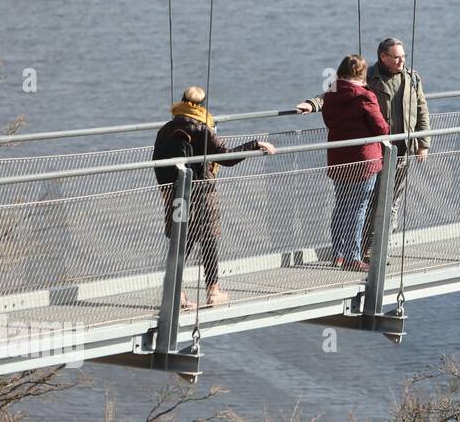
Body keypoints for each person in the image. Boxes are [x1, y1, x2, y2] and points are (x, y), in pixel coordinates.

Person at [297, 36, 430, 259]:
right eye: (396, 57)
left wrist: (423, 143)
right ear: (383, 57)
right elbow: (335, 91)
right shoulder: (367, 75)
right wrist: (312, 104)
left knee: (390, 203)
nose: (401, 61)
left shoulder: (412, 78)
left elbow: (421, 109)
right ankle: (365, 250)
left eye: (404, 57)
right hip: (377, 150)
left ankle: (377, 249)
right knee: (367, 203)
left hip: (402, 149)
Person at [153, 86, 276, 309]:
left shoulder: (166, 129)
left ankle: (175, 292)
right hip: (202, 192)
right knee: (208, 240)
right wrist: (255, 144)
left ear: (181, 102)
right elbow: (227, 158)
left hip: (175, 191)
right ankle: (213, 291)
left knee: (181, 242)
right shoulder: (203, 128)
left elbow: (158, 162)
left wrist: (164, 190)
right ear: (201, 106)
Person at [320, 54, 389, 271]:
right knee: (358, 209)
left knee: (341, 205)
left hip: (339, 159)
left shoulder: (330, 94)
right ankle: (353, 257)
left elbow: (329, 121)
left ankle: (339, 255)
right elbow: (382, 128)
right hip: (363, 160)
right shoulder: (364, 96)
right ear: (362, 74)